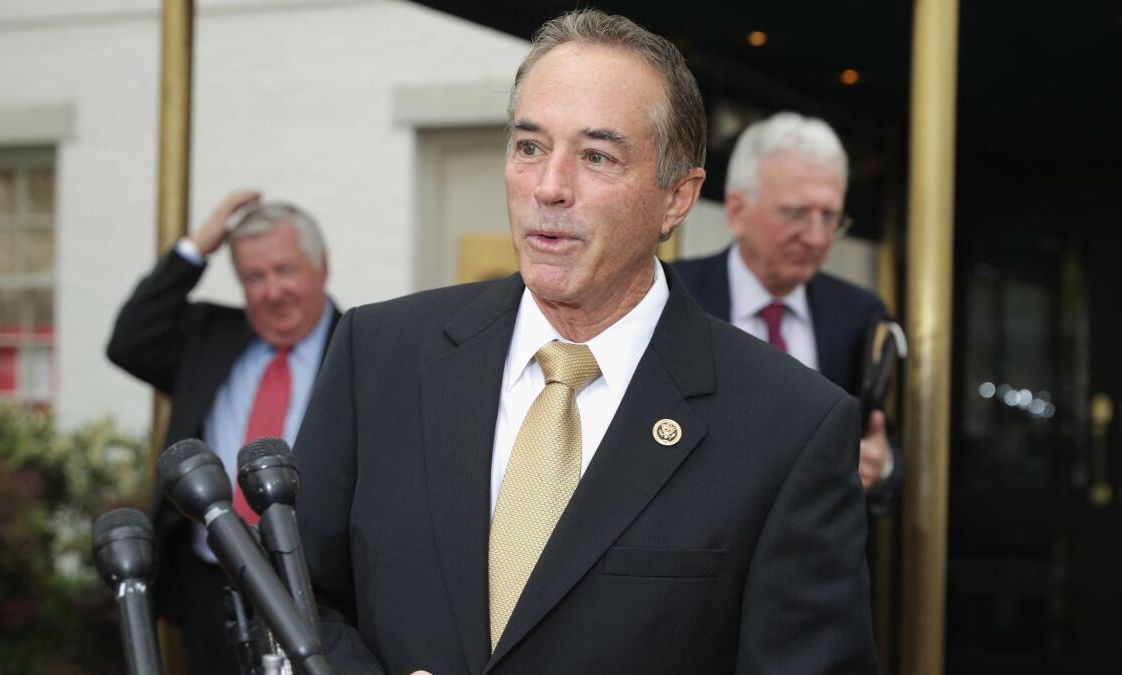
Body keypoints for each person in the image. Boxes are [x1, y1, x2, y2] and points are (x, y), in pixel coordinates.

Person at [294, 10, 877, 674]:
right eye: (530, 147)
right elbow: (295, 596)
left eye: (597, 155)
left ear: (677, 198)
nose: (549, 187)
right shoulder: (378, 356)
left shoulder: (790, 427)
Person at [106, 192, 340, 675]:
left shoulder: (358, 347)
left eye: (285, 270)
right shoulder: (210, 338)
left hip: (316, 588)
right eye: (255, 277)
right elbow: (130, 340)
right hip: (209, 585)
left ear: (322, 268)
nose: (272, 291)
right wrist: (197, 246)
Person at [673, 112, 903, 513]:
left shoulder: (859, 313)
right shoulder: (671, 298)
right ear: (737, 211)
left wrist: (880, 466)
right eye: (796, 213)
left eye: (829, 216)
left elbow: (886, 446)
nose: (816, 237)